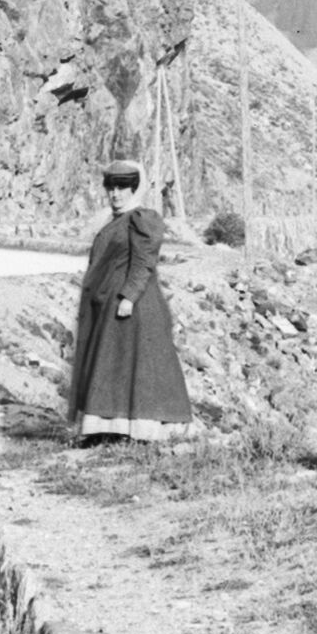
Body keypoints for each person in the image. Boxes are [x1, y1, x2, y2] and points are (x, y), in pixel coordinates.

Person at [67, 161, 196, 444]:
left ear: (135, 189)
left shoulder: (141, 219)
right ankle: (106, 429)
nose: (116, 194)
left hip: (134, 306)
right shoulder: (117, 221)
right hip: (110, 304)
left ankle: (142, 431)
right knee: (113, 363)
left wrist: (128, 297)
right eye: (112, 188)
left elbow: (143, 261)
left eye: (123, 187)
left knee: (136, 365)